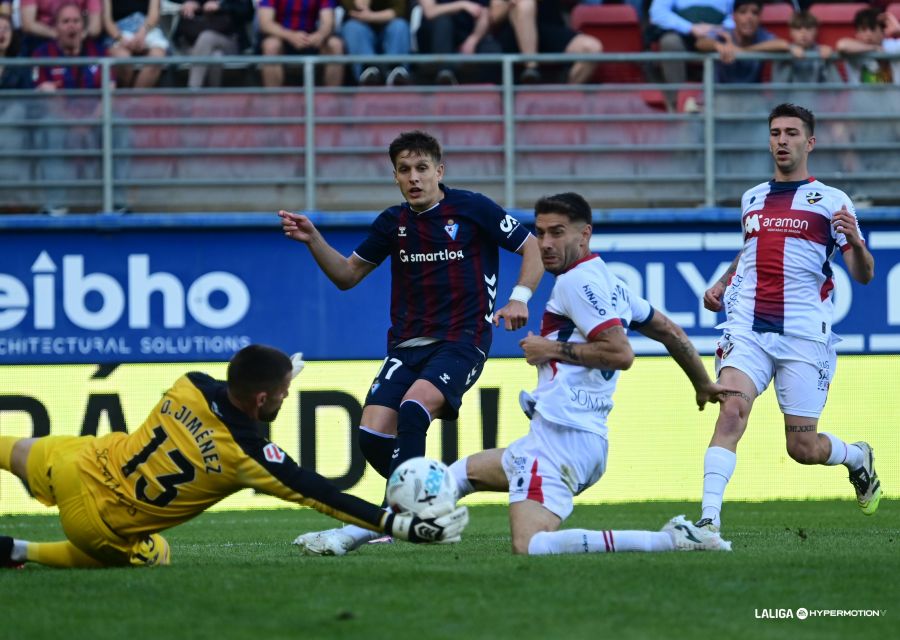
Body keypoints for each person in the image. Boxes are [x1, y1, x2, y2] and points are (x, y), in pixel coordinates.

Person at [281, 130, 543, 556]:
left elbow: (530, 246)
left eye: (422, 168)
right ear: (396, 177)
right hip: (406, 346)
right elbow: (347, 276)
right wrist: (314, 239)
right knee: (370, 433)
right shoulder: (393, 223)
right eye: (405, 170)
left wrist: (519, 298)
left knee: (414, 407)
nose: (414, 177)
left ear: (439, 171)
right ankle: (429, 498)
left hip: (463, 340)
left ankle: (403, 518)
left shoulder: (472, 209)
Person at [441, 192, 734, 555]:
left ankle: (668, 540)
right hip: (570, 436)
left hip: (563, 439)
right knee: (458, 475)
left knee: (531, 546)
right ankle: (354, 535)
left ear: (584, 235)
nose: (545, 244)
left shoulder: (575, 282)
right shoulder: (608, 281)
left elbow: (620, 353)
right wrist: (702, 382)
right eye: (541, 233)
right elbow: (670, 331)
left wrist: (549, 349)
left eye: (557, 233)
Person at [0, 345, 468, 569]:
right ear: (263, 399)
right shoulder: (247, 456)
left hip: (79, 462)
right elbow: (321, 494)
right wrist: (398, 525)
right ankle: (19, 550)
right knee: (156, 556)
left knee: (14, 450)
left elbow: (233, 395)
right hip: (100, 522)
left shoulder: (189, 383)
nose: (287, 399)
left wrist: (278, 377)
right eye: (283, 394)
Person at [694, 103, 881, 537]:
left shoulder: (833, 202)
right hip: (748, 327)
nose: (782, 140)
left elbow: (863, 274)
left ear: (809, 142)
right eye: (776, 132)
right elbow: (751, 249)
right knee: (732, 409)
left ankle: (856, 457)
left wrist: (855, 240)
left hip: (803, 334)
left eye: (792, 133)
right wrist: (723, 283)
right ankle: (707, 520)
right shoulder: (752, 197)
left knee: (802, 448)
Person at [488, 0, 602, 84]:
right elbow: (494, 17)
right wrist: (510, 4)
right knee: (525, 3)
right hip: (513, 36)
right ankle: (531, 68)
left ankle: (565, 98)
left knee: (592, 49)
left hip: (549, 29)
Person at [694, 0, 789, 84]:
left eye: (755, 13)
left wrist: (743, 50)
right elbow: (700, 43)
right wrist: (719, 46)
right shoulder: (724, 34)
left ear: (760, 17)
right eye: (743, 12)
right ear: (734, 16)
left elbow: (783, 44)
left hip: (750, 98)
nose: (749, 18)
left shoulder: (761, 35)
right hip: (720, 98)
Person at [257, 0, 345, 88]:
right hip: (281, 37)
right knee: (271, 45)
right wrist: (290, 36)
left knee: (335, 44)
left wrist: (319, 35)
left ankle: (332, 97)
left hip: (310, 38)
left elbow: (328, 23)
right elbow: (265, 24)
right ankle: (273, 98)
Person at [172, 0, 256, 89]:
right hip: (192, 45)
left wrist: (221, 6)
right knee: (216, 55)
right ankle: (213, 95)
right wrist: (191, 3)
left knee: (207, 37)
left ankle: (193, 90)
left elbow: (247, 12)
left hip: (229, 43)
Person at [416, 0, 493, 85]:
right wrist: (462, 5)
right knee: (443, 22)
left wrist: (473, 39)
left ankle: (493, 94)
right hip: (434, 42)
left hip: (466, 39)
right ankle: (445, 74)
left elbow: (485, 15)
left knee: (492, 50)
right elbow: (430, 11)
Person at [340, 0, 411, 86]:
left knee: (400, 26)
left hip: (388, 28)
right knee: (352, 27)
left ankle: (395, 71)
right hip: (362, 30)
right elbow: (356, 9)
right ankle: (368, 72)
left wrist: (371, 16)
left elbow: (399, 10)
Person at [103, 0, 170, 88]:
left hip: (147, 29)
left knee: (157, 57)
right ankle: (124, 98)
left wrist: (142, 33)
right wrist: (121, 39)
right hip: (118, 31)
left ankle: (134, 100)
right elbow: (107, 21)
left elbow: (154, 14)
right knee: (123, 59)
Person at [770, 10, 843, 84]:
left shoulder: (822, 51)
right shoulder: (784, 49)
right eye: (798, 28)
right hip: (787, 95)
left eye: (808, 29)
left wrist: (828, 59)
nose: (803, 33)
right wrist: (789, 49)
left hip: (815, 95)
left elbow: (837, 87)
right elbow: (774, 45)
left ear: (816, 31)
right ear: (791, 32)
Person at [836, 7, 900, 85]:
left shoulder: (892, 46)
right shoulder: (854, 49)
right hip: (861, 97)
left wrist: (898, 31)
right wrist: (873, 48)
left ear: (883, 32)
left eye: (873, 29)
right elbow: (842, 46)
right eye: (863, 29)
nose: (869, 34)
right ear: (857, 34)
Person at [19, 0, 103, 55]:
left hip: (78, 38)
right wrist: (59, 34)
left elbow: (95, 28)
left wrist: (78, 36)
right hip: (42, 38)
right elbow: (28, 24)